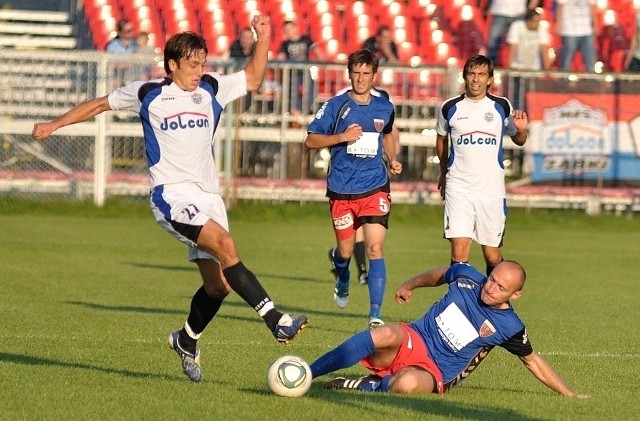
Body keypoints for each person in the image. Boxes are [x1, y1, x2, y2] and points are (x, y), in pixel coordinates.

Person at [31, 15, 308, 383]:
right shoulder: (148, 93)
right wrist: (53, 124)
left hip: (209, 197)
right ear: (172, 64)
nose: (200, 70)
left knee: (219, 285)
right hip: (172, 196)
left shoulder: (211, 88)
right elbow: (99, 104)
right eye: (193, 64)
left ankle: (186, 340)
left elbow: (254, 78)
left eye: (203, 63)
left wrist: (265, 38)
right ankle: (277, 319)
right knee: (226, 246)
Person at [310, 261, 590, 398]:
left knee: (405, 385)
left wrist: (569, 394)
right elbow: (441, 274)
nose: (490, 288)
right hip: (414, 338)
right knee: (382, 333)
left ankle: (367, 384)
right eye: (491, 279)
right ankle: (308, 373)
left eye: (500, 288)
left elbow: (533, 361)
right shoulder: (468, 276)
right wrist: (410, 284)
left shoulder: (510, 327)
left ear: (515, 295)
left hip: (437, 371)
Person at [304, 49, 402, 329]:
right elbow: (310, 141)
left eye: (366, 73)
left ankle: (375, 313)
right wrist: (341, 137)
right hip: (342, 190)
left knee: (374, 247)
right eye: (356, 73)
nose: (360, 78)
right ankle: (342, 276)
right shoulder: (335, 106)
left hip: (374, 186)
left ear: (374, 75)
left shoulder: (384, 106)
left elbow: (386, 136)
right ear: (349, 74)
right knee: (345, 252)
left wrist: (393, 160)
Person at [435, 55, 528, 277]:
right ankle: (458, 305)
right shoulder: (449, 107)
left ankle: (492, 303)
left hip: (491, 190)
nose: (475, 79)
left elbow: (519, 139)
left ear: (490, 79)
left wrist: (522, 130)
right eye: (471, 74)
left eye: (481, 74)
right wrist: (443, 174)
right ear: (465, 76)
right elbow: (441, 141)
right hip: (459, 187)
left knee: (492, 255)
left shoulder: (501, 106)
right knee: (459, 251)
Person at [331, 85, 401, 286]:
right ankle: (344, 261)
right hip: (347, 177)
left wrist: (392, 158)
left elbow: (389, 130)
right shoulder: (342, 96)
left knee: (369, 234)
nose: (362, 76)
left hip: (372, 177)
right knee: (350, 241)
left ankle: (362, 272)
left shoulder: (384, 99)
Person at [277, 20, 324, 116]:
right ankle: (296, 112)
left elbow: (317, 51)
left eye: (290, 29)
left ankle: (305, 111)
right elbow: (280, 57)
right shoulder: (285, 43)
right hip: (292, 73)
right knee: (293, 92)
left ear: (295, 28)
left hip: (305, 71)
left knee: (312, 89)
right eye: (286, 30)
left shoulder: (306, 39)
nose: (288, 31)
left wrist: (322, 61)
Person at [486, 0, 539, 66]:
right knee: (493, 44)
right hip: (499, 11)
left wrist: (532, 7)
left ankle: (521, 68)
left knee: (521, 44)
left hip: (519, 12)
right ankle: (491, 69)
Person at [556, 0, 598, 71]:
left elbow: (592, 7)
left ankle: (591, 80)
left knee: (590, 60)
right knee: (566, 60)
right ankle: (564, 79)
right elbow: (560, 6)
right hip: (569, 30)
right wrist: (558, 23)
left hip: (587, 30)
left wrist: (595, 24)